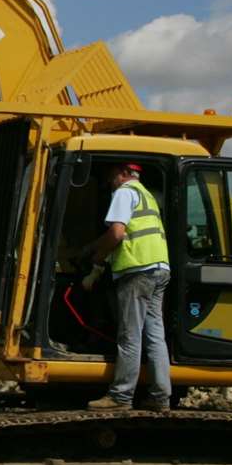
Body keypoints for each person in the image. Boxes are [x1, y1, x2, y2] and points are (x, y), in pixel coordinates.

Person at [81, 161, 172, 411]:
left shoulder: (124, 192)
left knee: (129, 335)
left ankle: (121, 397)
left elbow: (118, 233)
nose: (110, 183)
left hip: (136, 272)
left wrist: (97, 260)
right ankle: (160, 397)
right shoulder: (148, 197)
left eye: (111, 177)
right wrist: (93, 247)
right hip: (159, 269)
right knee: (155, 336)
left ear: (123, 174)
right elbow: (128, 233)